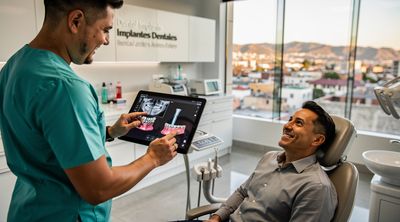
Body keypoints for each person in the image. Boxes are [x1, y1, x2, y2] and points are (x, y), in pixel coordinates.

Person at [0, 0, 178, 221]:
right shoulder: (66, 87)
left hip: (28, 210)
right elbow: (98, 189)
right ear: (76, 21)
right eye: (104, 30)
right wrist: (152, 158)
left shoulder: (14, 67)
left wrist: (109, 132)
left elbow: (45, 140)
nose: (106, 40)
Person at [208, 101, 337, 222]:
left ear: (317, 140)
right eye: (290, 119)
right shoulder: (269, 158)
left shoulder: (316, 187)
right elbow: (242, 192)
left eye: (298, 123)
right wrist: (216, 217)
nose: (287, 125)